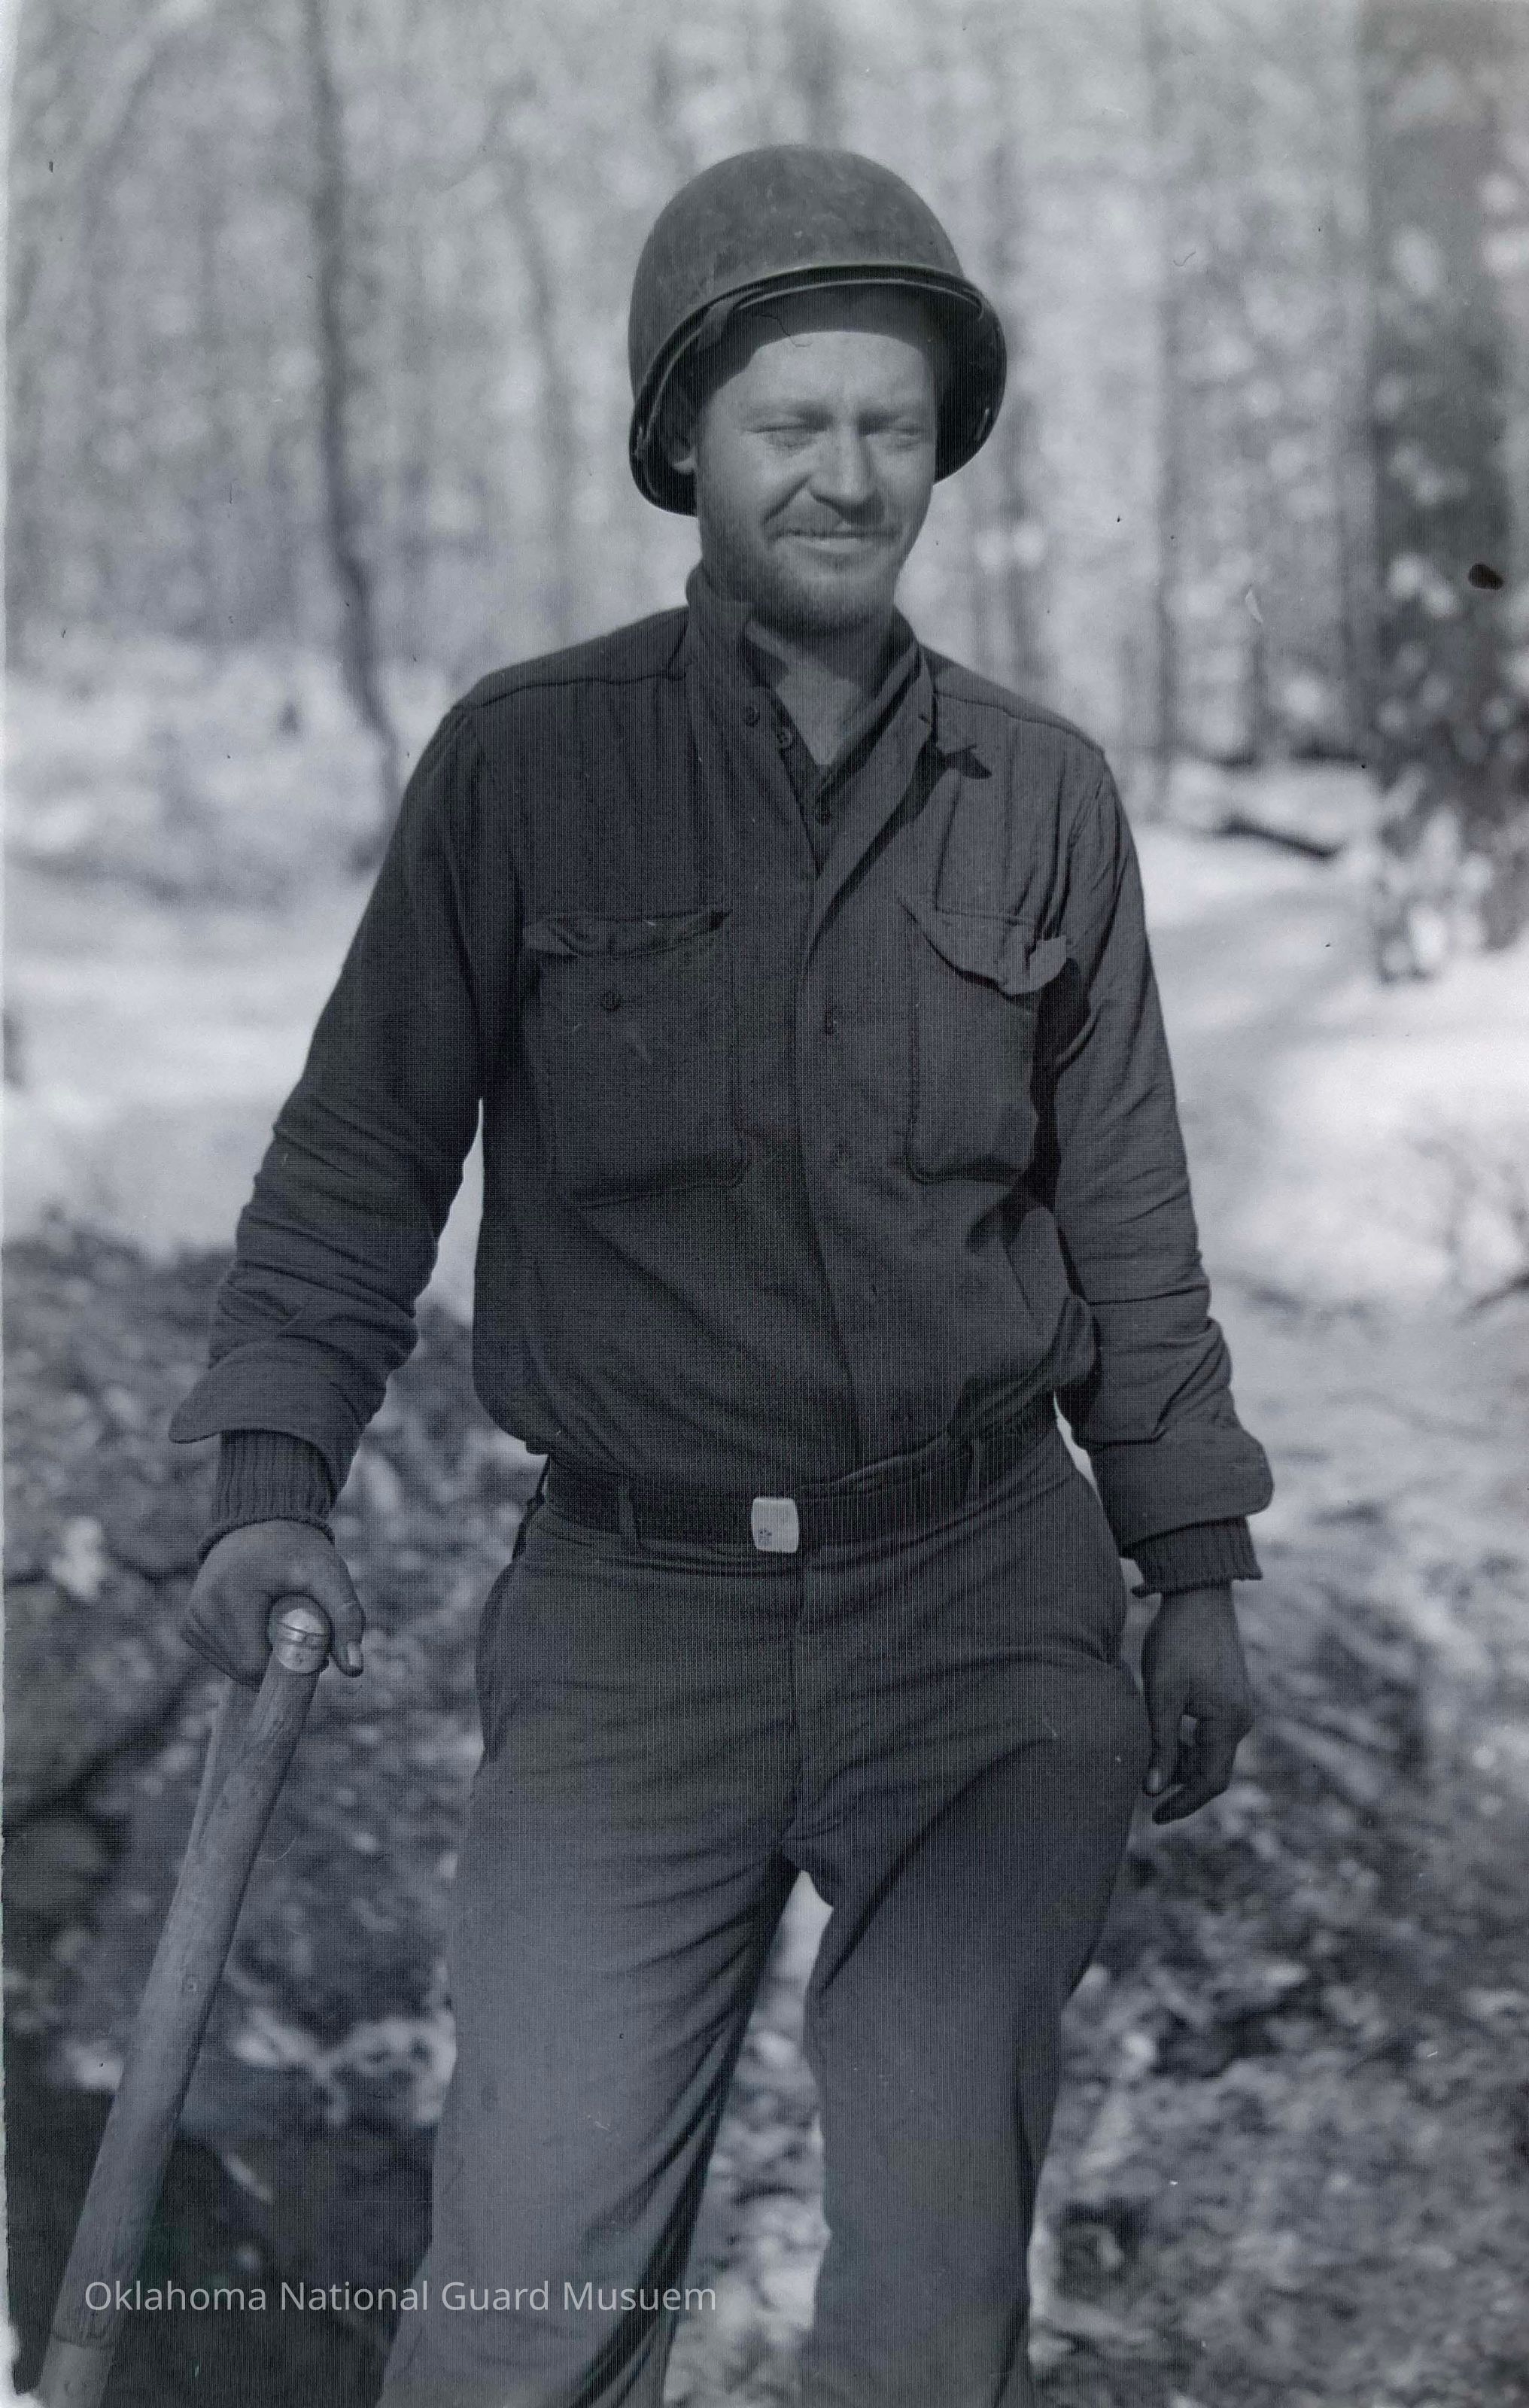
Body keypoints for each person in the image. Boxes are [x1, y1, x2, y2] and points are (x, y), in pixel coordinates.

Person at [172, 144, 1275, 2408]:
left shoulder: (1041, 795)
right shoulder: (527, 766)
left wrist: (1193, 1566)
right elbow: (360, 1158)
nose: (847, 476)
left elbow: (1128, 1207)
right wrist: (272, 1477)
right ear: (685, 440)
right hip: (634, 1625)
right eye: (793, 423)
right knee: (522, 2315)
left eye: (892, 427)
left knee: (928, 2319)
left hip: (983, 1608)